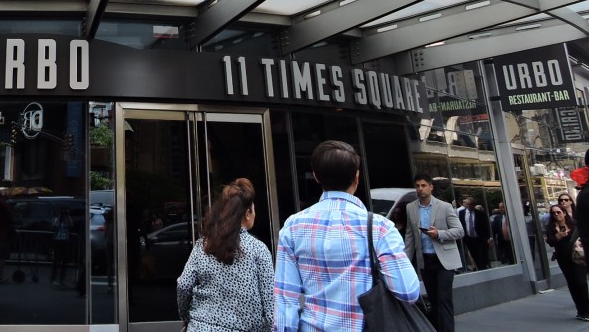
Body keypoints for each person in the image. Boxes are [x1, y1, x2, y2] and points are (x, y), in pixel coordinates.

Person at [275, 141, 420, 332]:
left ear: (317, 177)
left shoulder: (293, 226)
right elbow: (408, 291)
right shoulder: (379, 227)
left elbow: (285, 297)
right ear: (357, 177)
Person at [177, 178, 274, 332]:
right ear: (248, 213)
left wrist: (187, 317)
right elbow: (270, 305)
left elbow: (183, 285)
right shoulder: (259, 249)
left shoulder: (204, 245)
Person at [404, 173, 464, 332]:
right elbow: (410, 236)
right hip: (425, 260)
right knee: (434, 300)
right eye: (417, 186)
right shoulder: (410, 207)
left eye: (423, 185)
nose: (420, 189)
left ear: (431, 187)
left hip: (444, 260)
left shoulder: (444, 206)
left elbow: (459, 231)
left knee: (444, 299)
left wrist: (440, 234)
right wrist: (404, 261)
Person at [545, 203, 589, 321]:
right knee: (572, 284)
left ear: (564, 213)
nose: (556, 215)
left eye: (558, 212)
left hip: (578, 257)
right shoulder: (551, 227)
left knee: (581, 282)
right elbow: (550, 242)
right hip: (563, 259)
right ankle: (581, 311)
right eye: (553, 213)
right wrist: (558, 236)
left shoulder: (573, 224)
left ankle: (587, 309)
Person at [458, 196, 491, 270]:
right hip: (469, 239)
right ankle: (479, 267)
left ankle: (482, 268)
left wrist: (488, 238)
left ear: (474, 205)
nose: (469, 206)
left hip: (480, 239)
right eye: (467, 204)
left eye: (470, 204)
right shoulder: (461, 213)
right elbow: (461, 224)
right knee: (474, 256)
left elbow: (486, 226)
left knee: (482, 256)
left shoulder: (481, 214)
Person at [51, 206, 74, 286]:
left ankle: (62, 279)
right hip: (57, 240)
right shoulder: (56, 219)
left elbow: (71, 225)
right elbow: (55, 226)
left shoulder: (68, 219)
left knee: (65, 261)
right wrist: (59, 216)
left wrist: (67, 216)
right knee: (56, 260)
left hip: (65, 241)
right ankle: (54, 278)